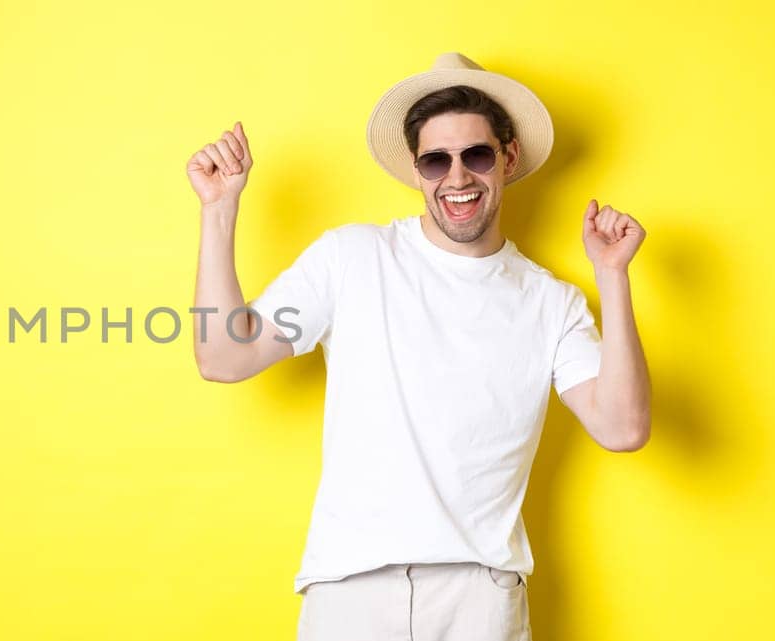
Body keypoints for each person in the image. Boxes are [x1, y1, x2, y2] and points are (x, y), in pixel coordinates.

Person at [185, 52, 652, 641]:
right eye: (436, 160)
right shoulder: (352, 258)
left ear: (507, 157)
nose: (457, 178)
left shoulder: (550, 301)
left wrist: (612, 275)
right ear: (417, 171)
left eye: (476, 155)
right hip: (350, 592)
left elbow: (623, 428)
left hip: (480, 599)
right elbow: (224, 357)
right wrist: (219, 207)